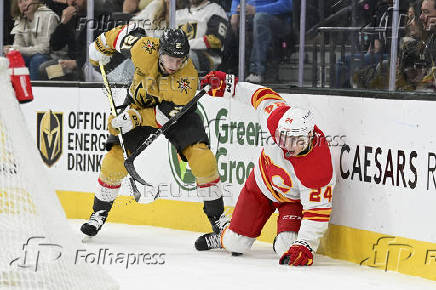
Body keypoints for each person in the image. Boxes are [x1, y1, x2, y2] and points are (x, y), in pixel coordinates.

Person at [80, 28, 227, 243]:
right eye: (169, 59)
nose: (173, 66)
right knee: (115, 158)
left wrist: (134, 118)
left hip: (175, 114)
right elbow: (119, 35)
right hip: (139, 103)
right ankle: (99, 213)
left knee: (202, 158)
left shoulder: (186, 79)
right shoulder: (143, 47)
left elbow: (162, 118)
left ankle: (218, 220)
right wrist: (98, 50)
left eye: (180, 61)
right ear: (159, 52)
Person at [195, 71, 336, 266]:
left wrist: (305, 245)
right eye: (283, 138)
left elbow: (317, 211)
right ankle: (222, 236)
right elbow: (259, 95)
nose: (287, 145)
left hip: (291, 201)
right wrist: (230, 86)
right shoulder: (275, 118)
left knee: (287, 247)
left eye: (295, 141)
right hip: (259, 188)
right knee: (236, 244)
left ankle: (283, 237)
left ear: (309, 136)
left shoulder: (318, 167)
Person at [230, 0, 293, 83]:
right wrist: (234, 13)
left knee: (260, 18)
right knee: (224, 19)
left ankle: (256, 71)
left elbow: (287, 5)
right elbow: (236, 1)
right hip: (249, 15)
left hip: (277, 19)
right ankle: (227, 71)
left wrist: (256, 9)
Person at [4, 0, 59, 80]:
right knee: (12, 57)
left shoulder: (49, 16)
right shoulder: (20, 19)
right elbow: (18, 45)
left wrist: (18, 49)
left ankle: (34, 90)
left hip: (56, 59)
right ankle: (16, 90)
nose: (24, 4)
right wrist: (11, 50)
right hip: (34, 55)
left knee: (37, 60)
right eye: (20, 2)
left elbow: (45, 49)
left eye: (26, 0)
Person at [176, 0, 229, 73]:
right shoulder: (178, 14)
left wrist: (183, 46)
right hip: (178, 54)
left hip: (206, 58)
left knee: (186, 55)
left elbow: (215, 40)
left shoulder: (215, 10)